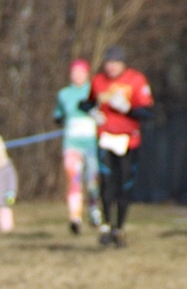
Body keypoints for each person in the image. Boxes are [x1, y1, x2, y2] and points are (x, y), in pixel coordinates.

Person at [81, 46, 154, 248]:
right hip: (105, 138)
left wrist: (128, 109)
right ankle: (106, 226)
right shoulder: (98, 81)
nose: (111, 67)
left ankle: (119, 228)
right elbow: (86, 103)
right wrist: (92, 112)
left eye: (115, 63)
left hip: (128, 140)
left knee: (124, 183)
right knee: (106, 182)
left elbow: (148, 112)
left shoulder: (136, 80)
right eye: (108, 63)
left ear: (123, 64)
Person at [54, 59, 102, 235]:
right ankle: (75, 218)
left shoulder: (95, 91)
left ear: (87, 74)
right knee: (74, 180)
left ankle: (94, 210)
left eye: (81, 72)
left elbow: (103, 114)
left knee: (92, 181)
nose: (78, 76)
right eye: (75, 72)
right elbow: (58, 114)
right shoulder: (64, 94)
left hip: (92, 145)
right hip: (72, 145)